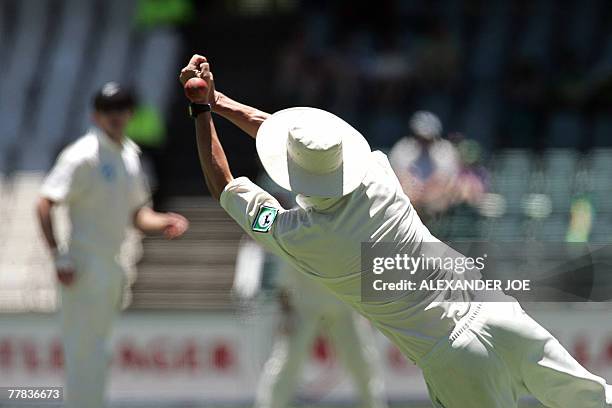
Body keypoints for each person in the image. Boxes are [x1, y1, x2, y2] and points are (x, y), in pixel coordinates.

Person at [179, 55, 611, 408]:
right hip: (499, 310)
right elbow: (292, 139)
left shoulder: (304, 237)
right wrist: (219, 100)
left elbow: (226, 186)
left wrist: (203, 110)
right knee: (595, 400)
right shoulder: (375, 171)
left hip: (455, 357)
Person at [36, 82, 189, 408]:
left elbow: (138, 214)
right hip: (82, 264)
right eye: (108, 110)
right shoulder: (82, 156)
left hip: (112, 264)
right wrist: (58, 256)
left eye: (121, 109)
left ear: (130, 114)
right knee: (83, 352)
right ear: (96, 115)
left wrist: (163, 221)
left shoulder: (131, 157)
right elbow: (45, 203)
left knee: (100, 350)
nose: (116, 116)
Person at [234, 239, 387, 408]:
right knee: (286, 364)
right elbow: (284, 277)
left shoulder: (346, 221)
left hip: (343, 308)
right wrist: (286, 314)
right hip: (305, 307)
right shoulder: (300, 224)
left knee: (363, 364)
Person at [388, 111, 460, 214]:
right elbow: (398, 178)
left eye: (428, 138)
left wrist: (425, 196)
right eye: (420, 137)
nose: (423, 141)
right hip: (408, 199)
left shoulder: (446, 151)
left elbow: (445, 183)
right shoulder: (402, 149)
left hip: (434, 204)